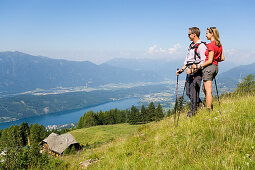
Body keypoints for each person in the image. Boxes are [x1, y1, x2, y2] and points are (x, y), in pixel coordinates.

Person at [176, 27, 207, 116]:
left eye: (189, 34)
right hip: (189, 70)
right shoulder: (191, 46)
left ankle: (193, 112)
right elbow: (187, 60)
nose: (188, 36)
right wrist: (181, 70)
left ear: (194, 34)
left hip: (197, 72)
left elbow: (203, 61)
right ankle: (200, 104)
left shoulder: (201, 46)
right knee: (188, 92)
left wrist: (193, 69)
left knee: (194, 92)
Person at [194, 27, 225, 111]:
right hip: (215, 67)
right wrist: (215, 59)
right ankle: (209, 102)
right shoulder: (219, 44)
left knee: (208, 91)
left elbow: (210, 60)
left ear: (212, 34)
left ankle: (209, 110)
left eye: (207, 33)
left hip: (209, 68)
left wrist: (198, 66)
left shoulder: (211, 45)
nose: (206, 34)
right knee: (205, 88)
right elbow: (222, 58)